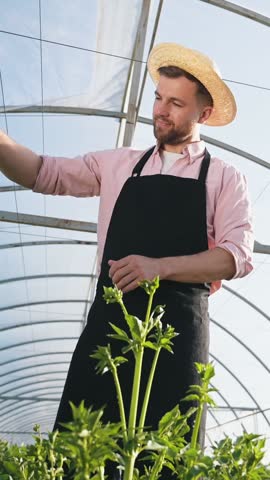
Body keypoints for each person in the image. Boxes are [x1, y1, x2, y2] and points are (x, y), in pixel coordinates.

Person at [0, 43, 253, 477]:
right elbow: (42, 172)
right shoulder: (118, 165)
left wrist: (160, 267)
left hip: (176, 337)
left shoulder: (224, 177)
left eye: (175, 103)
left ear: (203, 114)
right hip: (111, 328)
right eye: (158, 97)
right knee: (81, 457)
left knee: (166, 460)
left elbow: (235, 257)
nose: (161, 110)